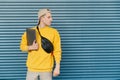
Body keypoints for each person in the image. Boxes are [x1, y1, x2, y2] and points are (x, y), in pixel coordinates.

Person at [20, 9, 62, 80]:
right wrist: (30, 47)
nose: (51, 19)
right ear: (41, 18)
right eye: (49, 17)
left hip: (46, 69)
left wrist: (57, 67)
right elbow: (22, 47)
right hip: (32, 69)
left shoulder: (54, 32)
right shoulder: (31, 32)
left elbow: (57, 50)